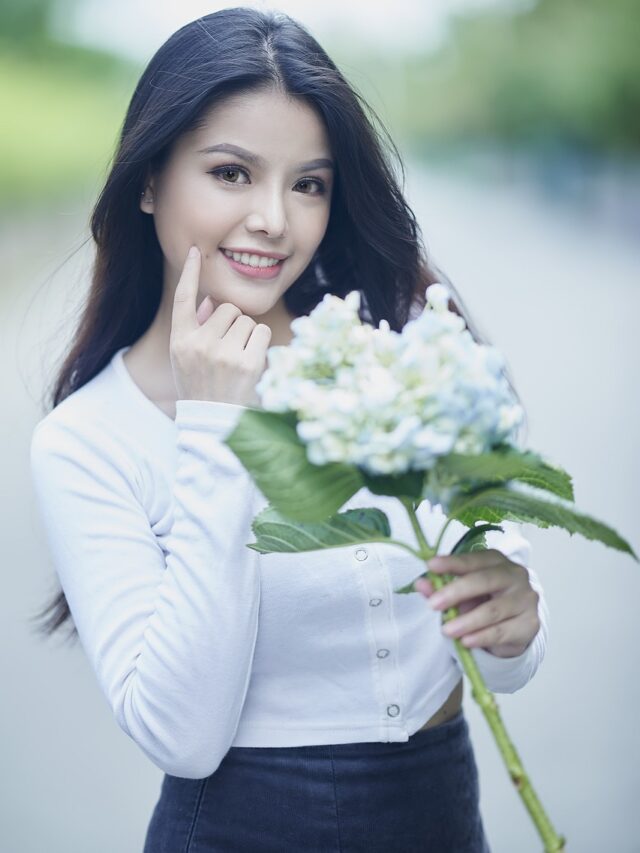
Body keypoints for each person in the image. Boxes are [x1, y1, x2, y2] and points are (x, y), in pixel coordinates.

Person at [29, 8, 548, 852]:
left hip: (442, 811)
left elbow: (500, 642)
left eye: (309, 182)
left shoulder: (394, 349)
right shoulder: (88, 439)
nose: (276, 218)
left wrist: (519, 619)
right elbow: (183, 735)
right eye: (232, 173)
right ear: (150, 179)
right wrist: (213, 426)